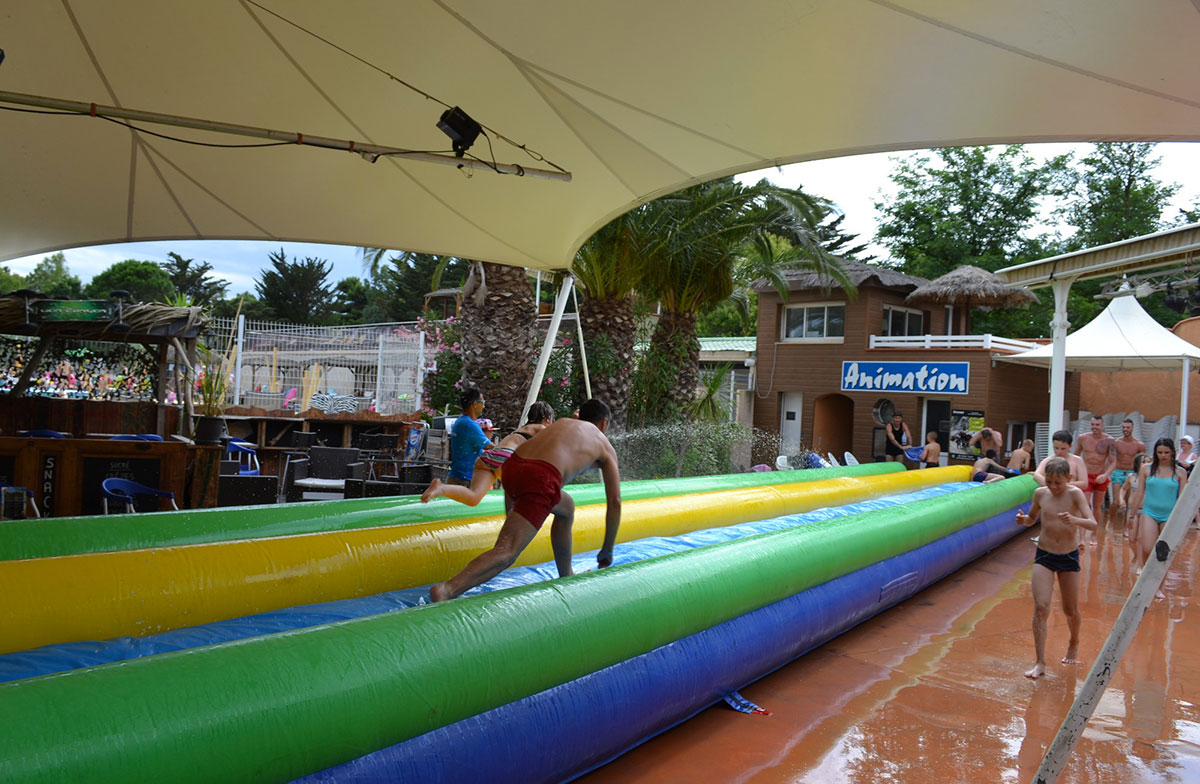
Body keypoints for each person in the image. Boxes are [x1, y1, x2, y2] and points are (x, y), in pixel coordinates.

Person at [430, 399, 622, 602]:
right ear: (604, 423)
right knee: (508, 551)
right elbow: (615, 501)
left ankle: (566, 574)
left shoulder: (562, 423)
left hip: (513, 466)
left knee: (566, 508)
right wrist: (607, 550)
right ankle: (447, 590)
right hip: (541, 477)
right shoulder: (604, 445)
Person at [1016, 456, 1097, 680]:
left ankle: (1074, 641)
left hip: (1069, 556)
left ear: (1068, 479)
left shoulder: (1075, 494)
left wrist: (1075, 519)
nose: (1052, 486)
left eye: (1058, 483)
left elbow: (1093, 523)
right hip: (1044, 554)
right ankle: (1040, 662)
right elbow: (1032, 518)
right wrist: (1023, 520)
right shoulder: (1041, 494)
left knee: (1070, 610)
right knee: (1041, 607)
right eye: (1049, 482)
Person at [422, 401, 555, 506]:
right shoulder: (542, 428)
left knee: (473, 497)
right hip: (505, 458)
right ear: (546, 419)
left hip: (487, 458)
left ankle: (441, 488)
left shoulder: (521, 429)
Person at [1130, 438, 1187, 596]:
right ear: (1155, 452)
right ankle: (1149, 579)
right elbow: (1139, 492)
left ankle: (1159, 586)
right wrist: (1132, 514)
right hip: (1149, 512)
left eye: (1166, 453)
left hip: (1170, 514)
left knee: (1164, 553)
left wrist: (1181, 521)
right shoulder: (1146, 469)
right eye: (1160, 452)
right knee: (1148, 548)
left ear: (1172, 453)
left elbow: (1182, 499)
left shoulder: (1180, 473)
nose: (1163, 455)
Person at [1075, 415, 1116, 538]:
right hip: (1086, 476)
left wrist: (1106, 474)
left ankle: (1094, 534)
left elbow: (1113, 461)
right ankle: (1082, 536)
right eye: (1092, 424)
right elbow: (1076, 456)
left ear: (1103, 426)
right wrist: (1075, 473)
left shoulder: (1110, 441)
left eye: (1097, 425)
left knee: (1097, 507)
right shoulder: (1083, 438)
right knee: (1085, 504)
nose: (1094, 427)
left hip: (1100, 476)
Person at [448, 388, 491, 487]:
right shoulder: (470, 425)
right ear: (475, 404)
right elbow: (490, 447)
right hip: (466, 480)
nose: (484, 406)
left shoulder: (460, 421)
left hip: (457, 477)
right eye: (482, 402)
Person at [1109, 419, 1146, 530]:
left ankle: (1126, 526)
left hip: (1131, 473)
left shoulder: (1139, 445)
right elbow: (1112, 459)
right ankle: (1110, 522)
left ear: (1132, 428)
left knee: (1129, 501)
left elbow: (1143, 461)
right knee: (1116, 501)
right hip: (1118, 472)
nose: (1125, 429)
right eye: (1123, 427)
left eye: (1127, 427)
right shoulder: (1117, 443)